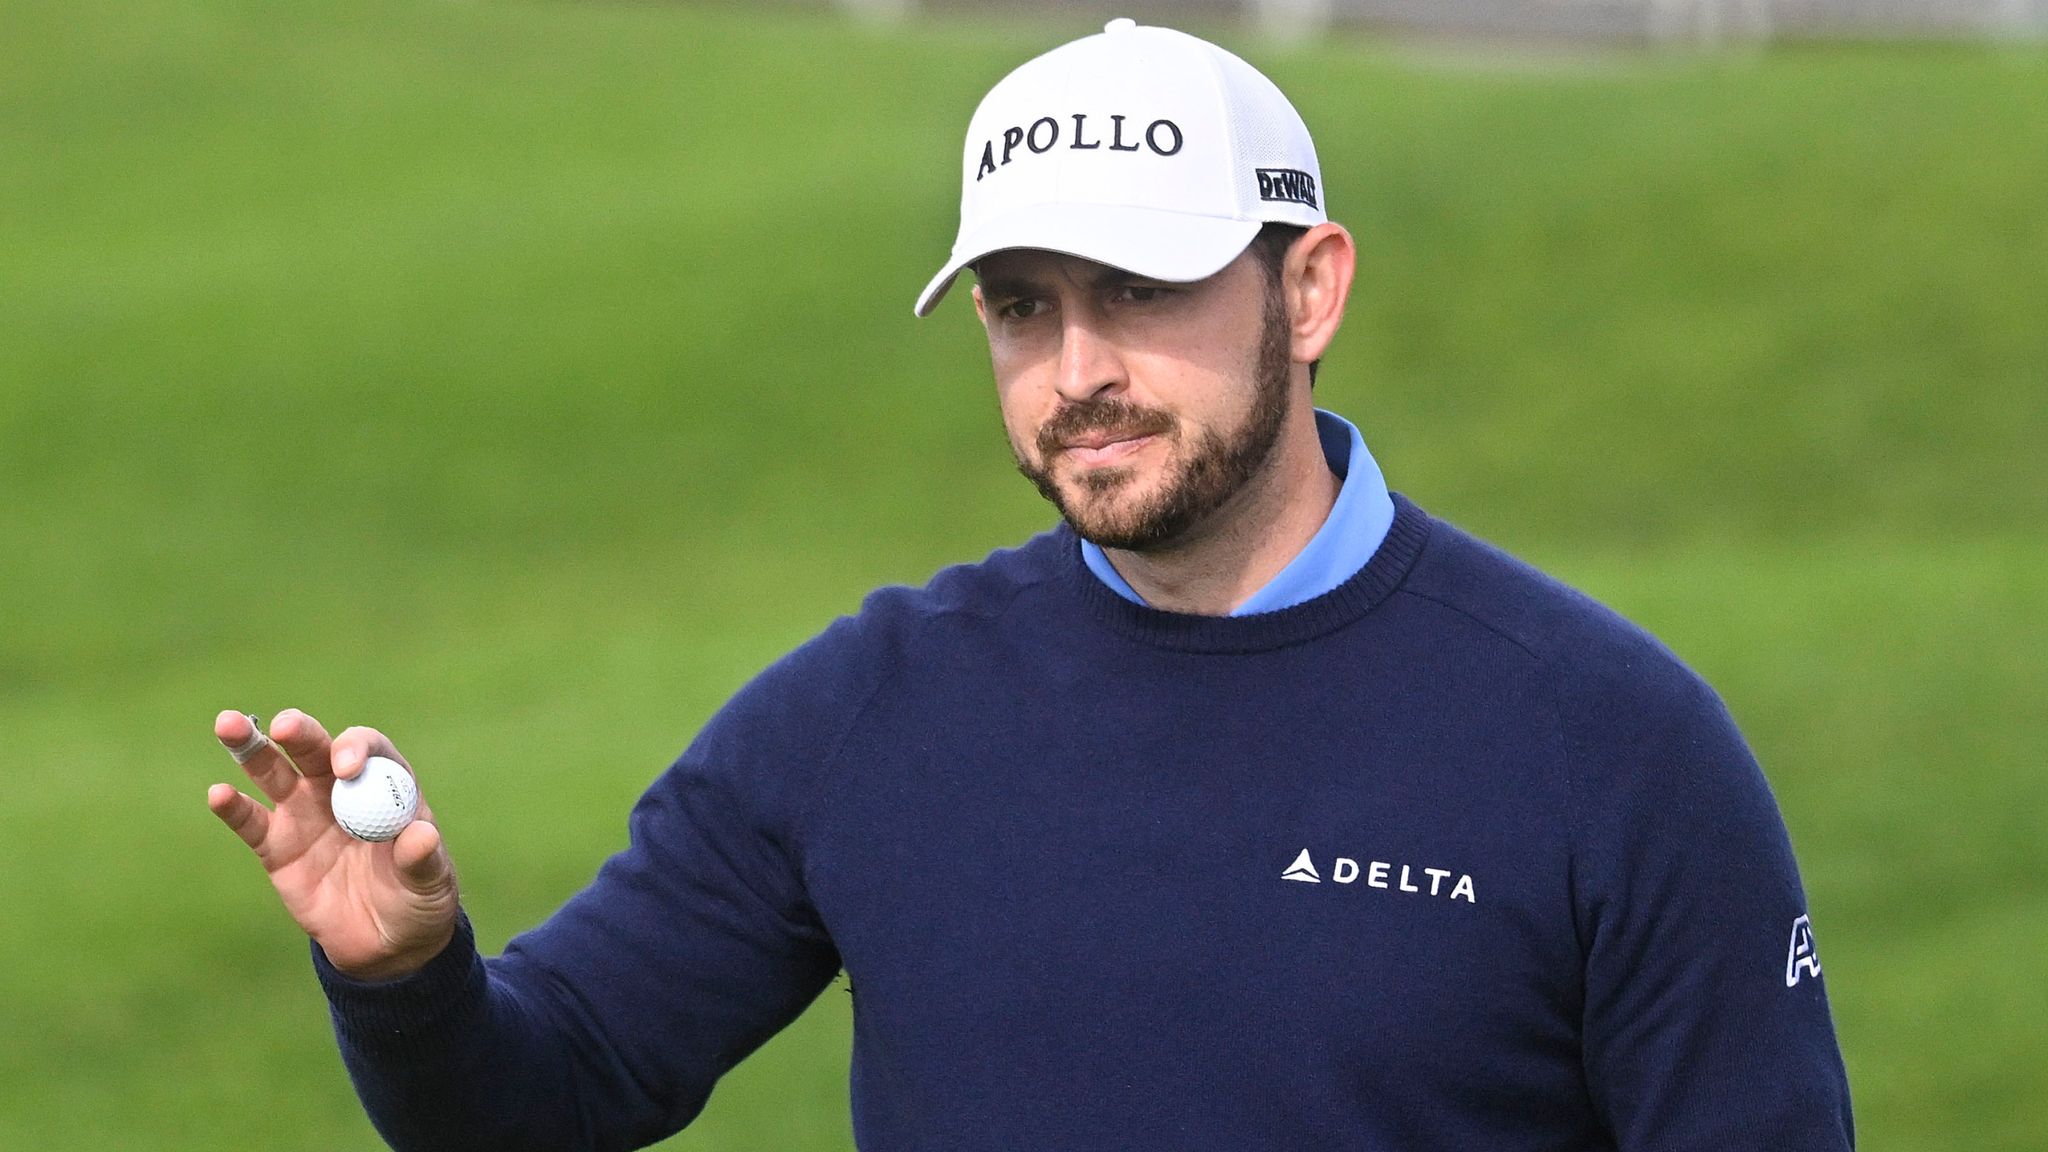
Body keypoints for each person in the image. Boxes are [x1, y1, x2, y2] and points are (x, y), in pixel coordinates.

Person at [207, 18, 1854, 1151]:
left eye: (1140, 288)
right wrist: (405, 977)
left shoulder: (1609, 743)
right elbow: (546, 1098)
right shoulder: (869, 712)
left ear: (1311, 288)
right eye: (1020, 305)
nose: (1079, 369)